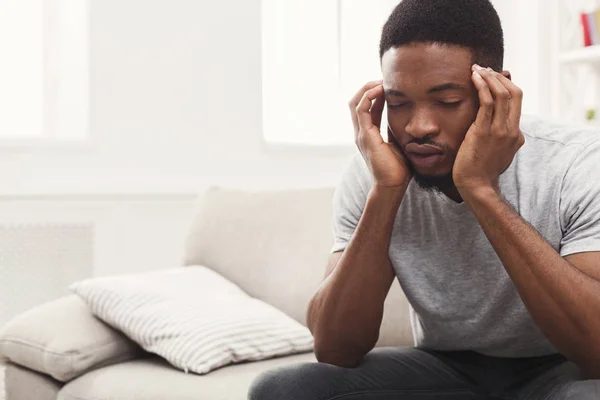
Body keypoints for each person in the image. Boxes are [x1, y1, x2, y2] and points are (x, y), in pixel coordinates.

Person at [249, 0, 600, 399]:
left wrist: (481, 189)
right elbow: (334, 348)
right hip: (445, 368)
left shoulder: (578, 164)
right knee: (282, 389)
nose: (419, 127)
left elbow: (597, 351)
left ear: (497, 93)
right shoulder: (375, 174)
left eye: (447, 102)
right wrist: (386, 192)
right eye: (398, 104)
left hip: (559, 368)